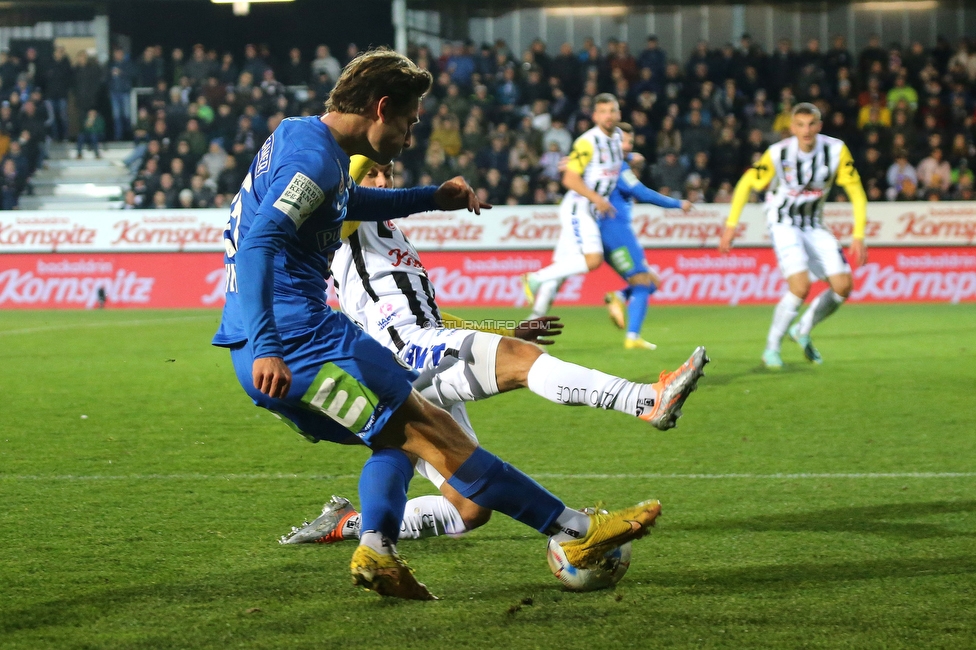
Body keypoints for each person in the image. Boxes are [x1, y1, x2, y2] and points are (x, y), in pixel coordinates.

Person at [213, 48, 663, 601]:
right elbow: (261, 240)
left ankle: (375, 546)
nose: (409, 137)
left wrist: (431, 198)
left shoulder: (296, 136)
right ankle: (575, 530)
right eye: (408, 122)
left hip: (264, 346)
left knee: (399, 441)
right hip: (301, 342)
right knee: (437, 435)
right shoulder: (313, 160)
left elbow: (340, 203)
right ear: (381, 108)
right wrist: (269, 346)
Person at [280, 159, 707, 546]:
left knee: (469, 508)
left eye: (388, 171)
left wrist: (505, 329)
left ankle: (347, 524)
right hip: (408, 352)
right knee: (519, 362)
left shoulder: (384, 233)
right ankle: (647, 401)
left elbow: (434, 317)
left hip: (415, 352)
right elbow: (344, 194)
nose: (383, 180)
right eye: (371, 172)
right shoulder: (345, 219)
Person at [718, 103, 868, 368]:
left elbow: (856, 190)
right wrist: (731, 226)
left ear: (819, 126)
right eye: (800, 125)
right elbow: (746, 184)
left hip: (814, 224)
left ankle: (802, 329)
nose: (806, 130)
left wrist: (858, 234)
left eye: (811, 124)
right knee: (800, 286)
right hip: (783, 222)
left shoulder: (835, 150)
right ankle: (771, 348)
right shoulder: (778, 153)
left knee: (843, 286)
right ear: (792, 128)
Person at [522, 93, 623, 318]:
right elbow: (569, 179)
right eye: (603, 112)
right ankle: (535, 278)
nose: (608, 116)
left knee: (561, 271)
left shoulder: (617, 137)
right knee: (593, 259)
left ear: (618, 114)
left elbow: (609, 161)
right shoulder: (588, 142)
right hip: (580, 208)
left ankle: (532, 323)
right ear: (595, 116)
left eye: (612, 111)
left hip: (588, 209)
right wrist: (597, 199)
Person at [603, 123, 692, 350]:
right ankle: (632, 336)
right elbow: (641, 193)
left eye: (630, 142)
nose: (627, 145)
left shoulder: (607, 162)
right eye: (624, 141)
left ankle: (620, 298)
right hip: (616, 231)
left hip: (607, 232)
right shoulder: (618, 168)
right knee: (643, 281)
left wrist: (632, 156)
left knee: (652, 282)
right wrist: (676, 203)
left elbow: (630, 157)